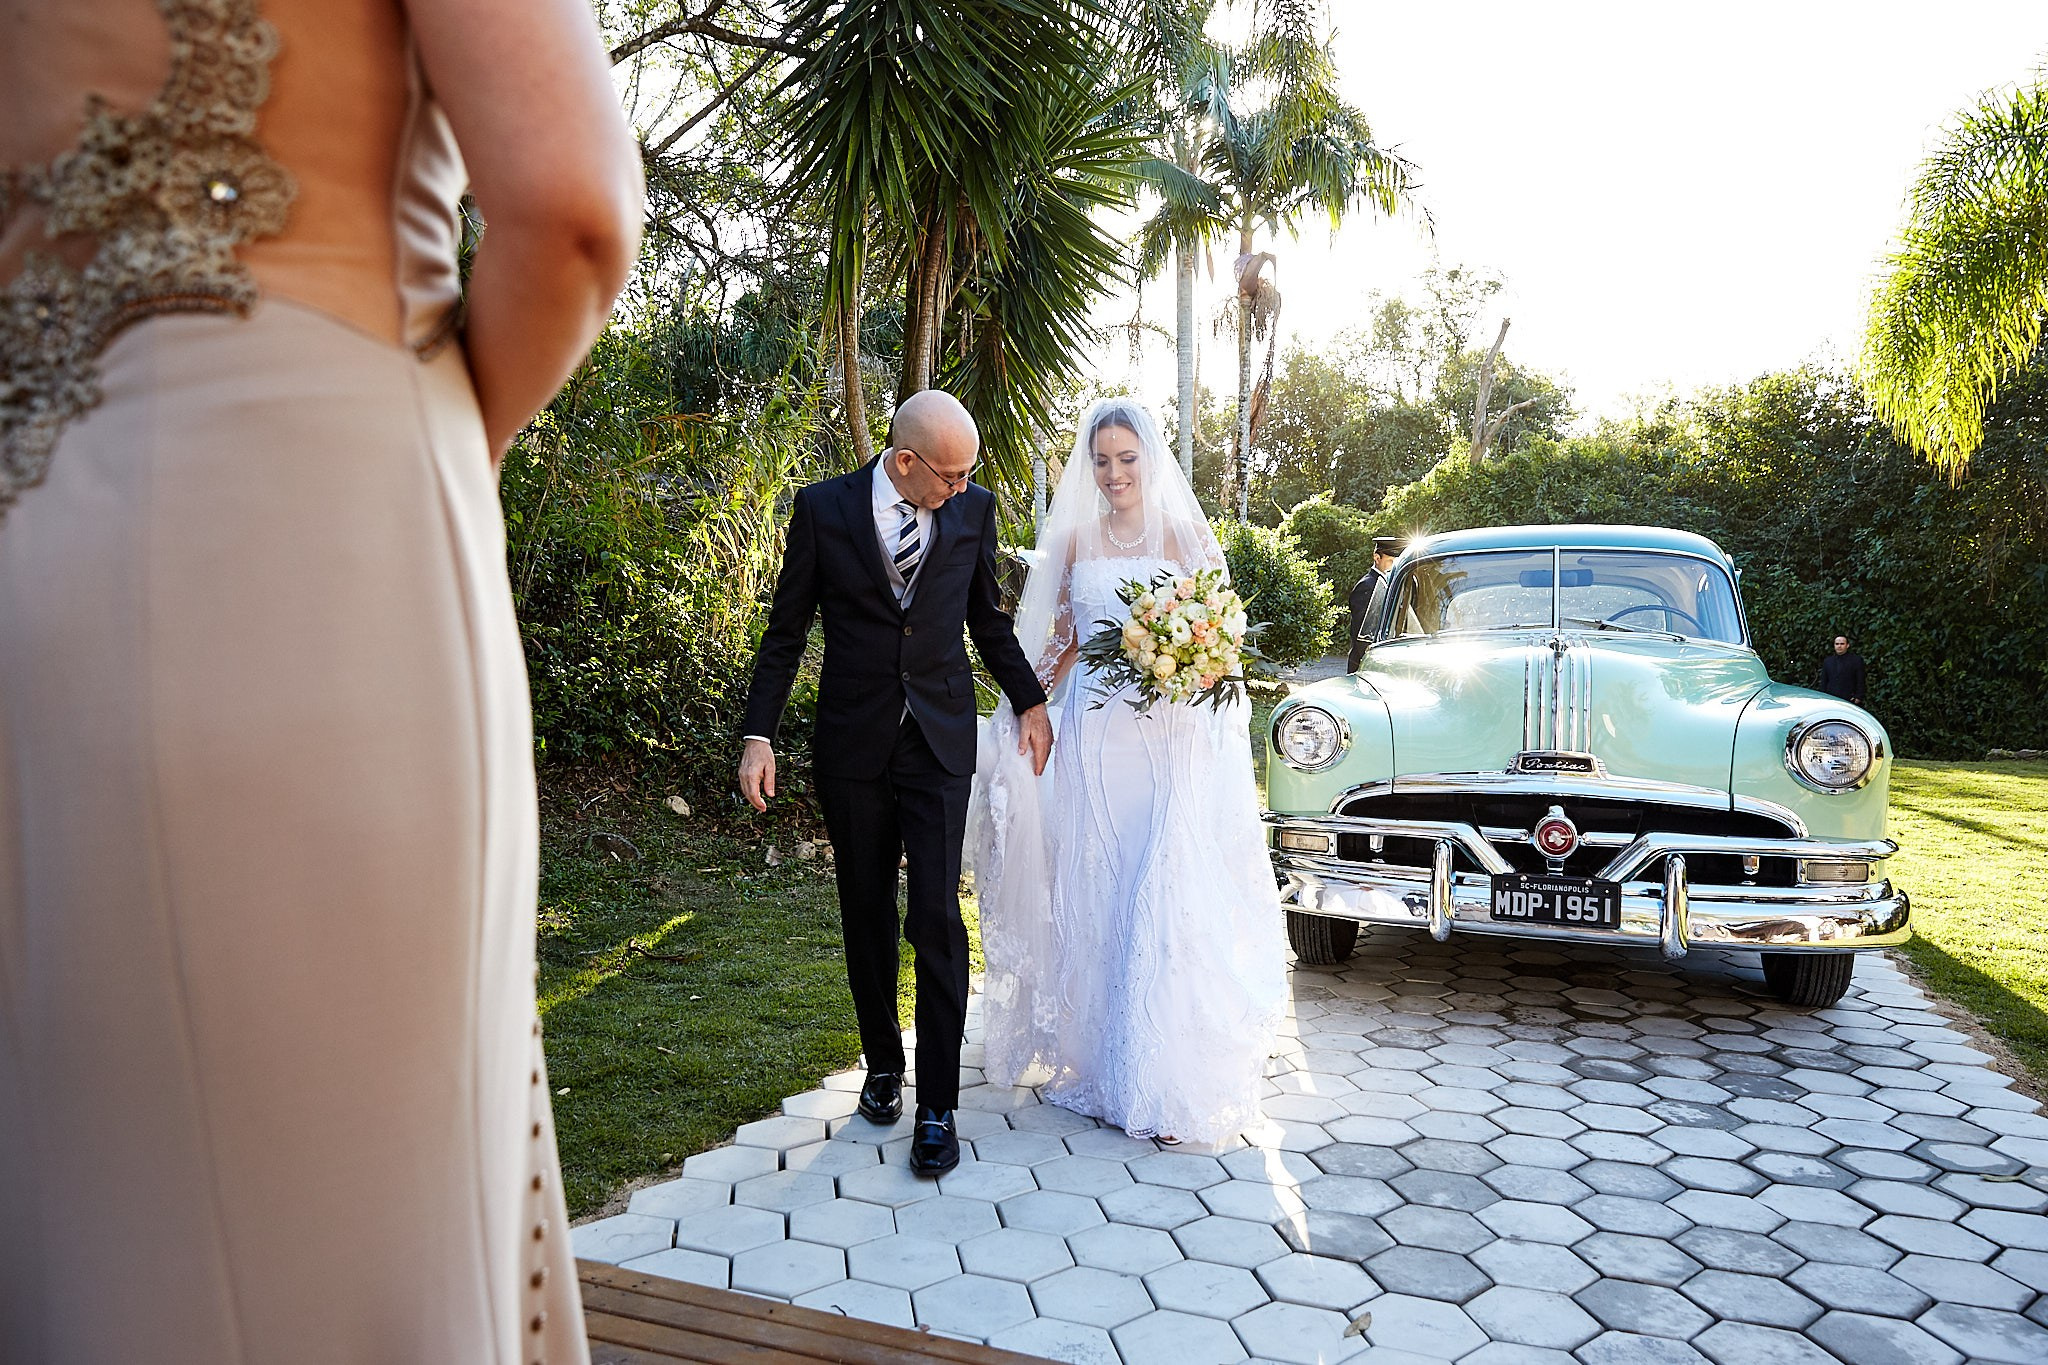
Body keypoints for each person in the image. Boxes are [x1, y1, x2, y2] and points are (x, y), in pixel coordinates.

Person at [0, 2, 642, 1360]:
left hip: (33, 556)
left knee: (95, 1218)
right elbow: (576, 210)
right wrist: (448, 451)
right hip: (305, 524)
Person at [739, 390, 1052, 1177]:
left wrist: (1030, 699)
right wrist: (758, 734)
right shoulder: (823, 510)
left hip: (941, 741)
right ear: (904, 461)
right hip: (854, 739)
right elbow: (786, 631)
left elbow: (987, 619)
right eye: (948, 475)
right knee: (866, 906)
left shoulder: (972, 511)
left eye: (967, 475)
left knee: (938, 915)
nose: (961, 488)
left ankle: (938, 1105)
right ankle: (883, 1063)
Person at [968, 398, 1286, 1147]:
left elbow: (1222, 633)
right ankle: (1103, 1060)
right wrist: (1024, 706)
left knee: (1160, 884)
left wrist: (1194, 664)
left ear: (1150, 460)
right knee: (1099, 883)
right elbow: (1064, 641)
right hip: (1091, 736)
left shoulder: (1183, 533)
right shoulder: (1075, 541)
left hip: (1166, 738)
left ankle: (1168, 1071)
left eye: (1127, 459)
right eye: (1101, 460)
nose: (1113, 473)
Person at [1346, 536, 1406, 671]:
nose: (1394, 567)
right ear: (1377, 558)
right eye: (1390, 561)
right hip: (1367, 663)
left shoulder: (1395, 585)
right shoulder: (1367, 586)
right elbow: (1363, 634)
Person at [1819, 634, 1867, 705]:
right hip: (1831, 699)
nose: (1839, 646)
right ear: (1834, 645)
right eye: (1837, 644)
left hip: (1850, 699)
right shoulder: (1828, 661)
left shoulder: (1856, 660)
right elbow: (1824, 681)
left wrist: (1858, 697)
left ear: (1847, 645)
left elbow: (1860, 680)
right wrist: (1823, 696)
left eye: (1842, 644)